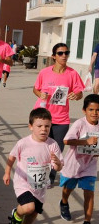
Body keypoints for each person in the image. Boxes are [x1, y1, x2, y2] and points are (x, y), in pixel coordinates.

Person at [4, 108, 63, 224]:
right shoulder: (23, 143)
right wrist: (7, 172)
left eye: (47, 126)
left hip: (40, 185)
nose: (43, 129)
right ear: (31, 127)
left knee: (34, 211)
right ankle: (16, 216)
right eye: (39, 126)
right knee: (28, 207)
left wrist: (58, 163)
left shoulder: (52, 145)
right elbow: (12, 157)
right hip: (23, 182)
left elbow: (58, 167)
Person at [33, 42, 84, 185]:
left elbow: (79, 92)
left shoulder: (72, 73)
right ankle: (39, 173)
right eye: (60, 53)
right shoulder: (45, 72)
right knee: (41, 146)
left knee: (58, 147)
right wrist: (40, 95)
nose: (64, 56)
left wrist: (76, 95)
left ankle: (51, 175)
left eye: (66, 53)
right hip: (43, 116)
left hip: (62, 118)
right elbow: (35, 89)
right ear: (54, 56)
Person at [58, 94, 99, 224]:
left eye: (97, 110)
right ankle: (64, 203)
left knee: (89, 193)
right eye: (91, 110)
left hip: (90, 166)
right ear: (84, 110)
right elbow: (66, 141)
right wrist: (85, 142)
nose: (94, 113)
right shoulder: (79, 124)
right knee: (68, 188)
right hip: (73, 164)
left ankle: (87, 223)